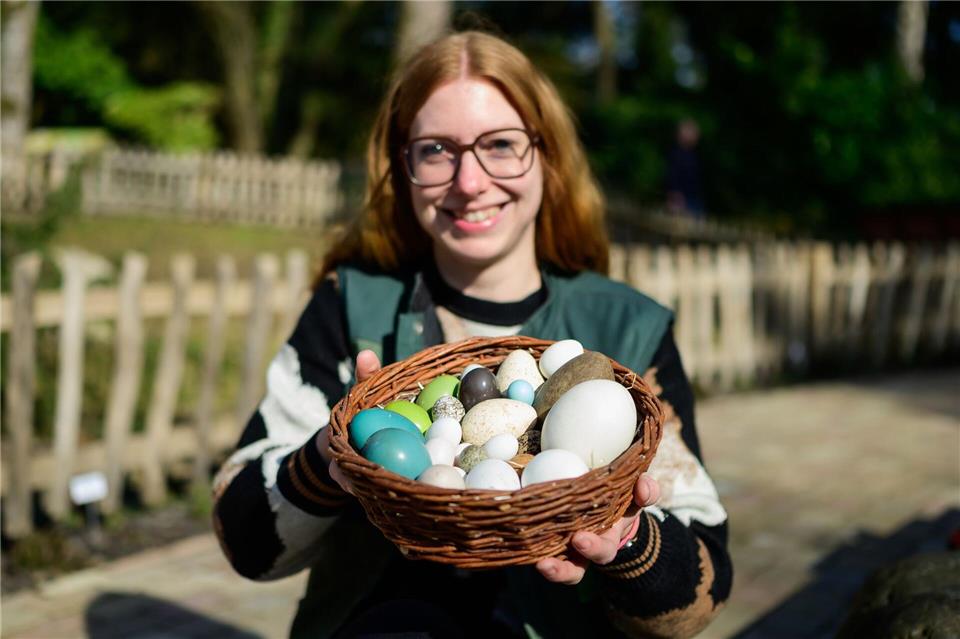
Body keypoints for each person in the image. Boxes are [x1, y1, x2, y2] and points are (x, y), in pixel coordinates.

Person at [212, 31, 732, 639]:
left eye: (502, 145)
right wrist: (328, 456)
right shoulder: (355, 309)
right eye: (436, 150)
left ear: (548, 156)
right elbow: (243, 539)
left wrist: (628, 542)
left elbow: (704, 590)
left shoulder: (622, 330)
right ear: (401, 165)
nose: (470, 181)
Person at [665, 118, 705, 220]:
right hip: (682, 200)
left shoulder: (694, 155)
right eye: (692, 132)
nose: (696, 136)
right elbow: (672, 177)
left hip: (694, 199)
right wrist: (674, 196)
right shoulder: (677, 155)